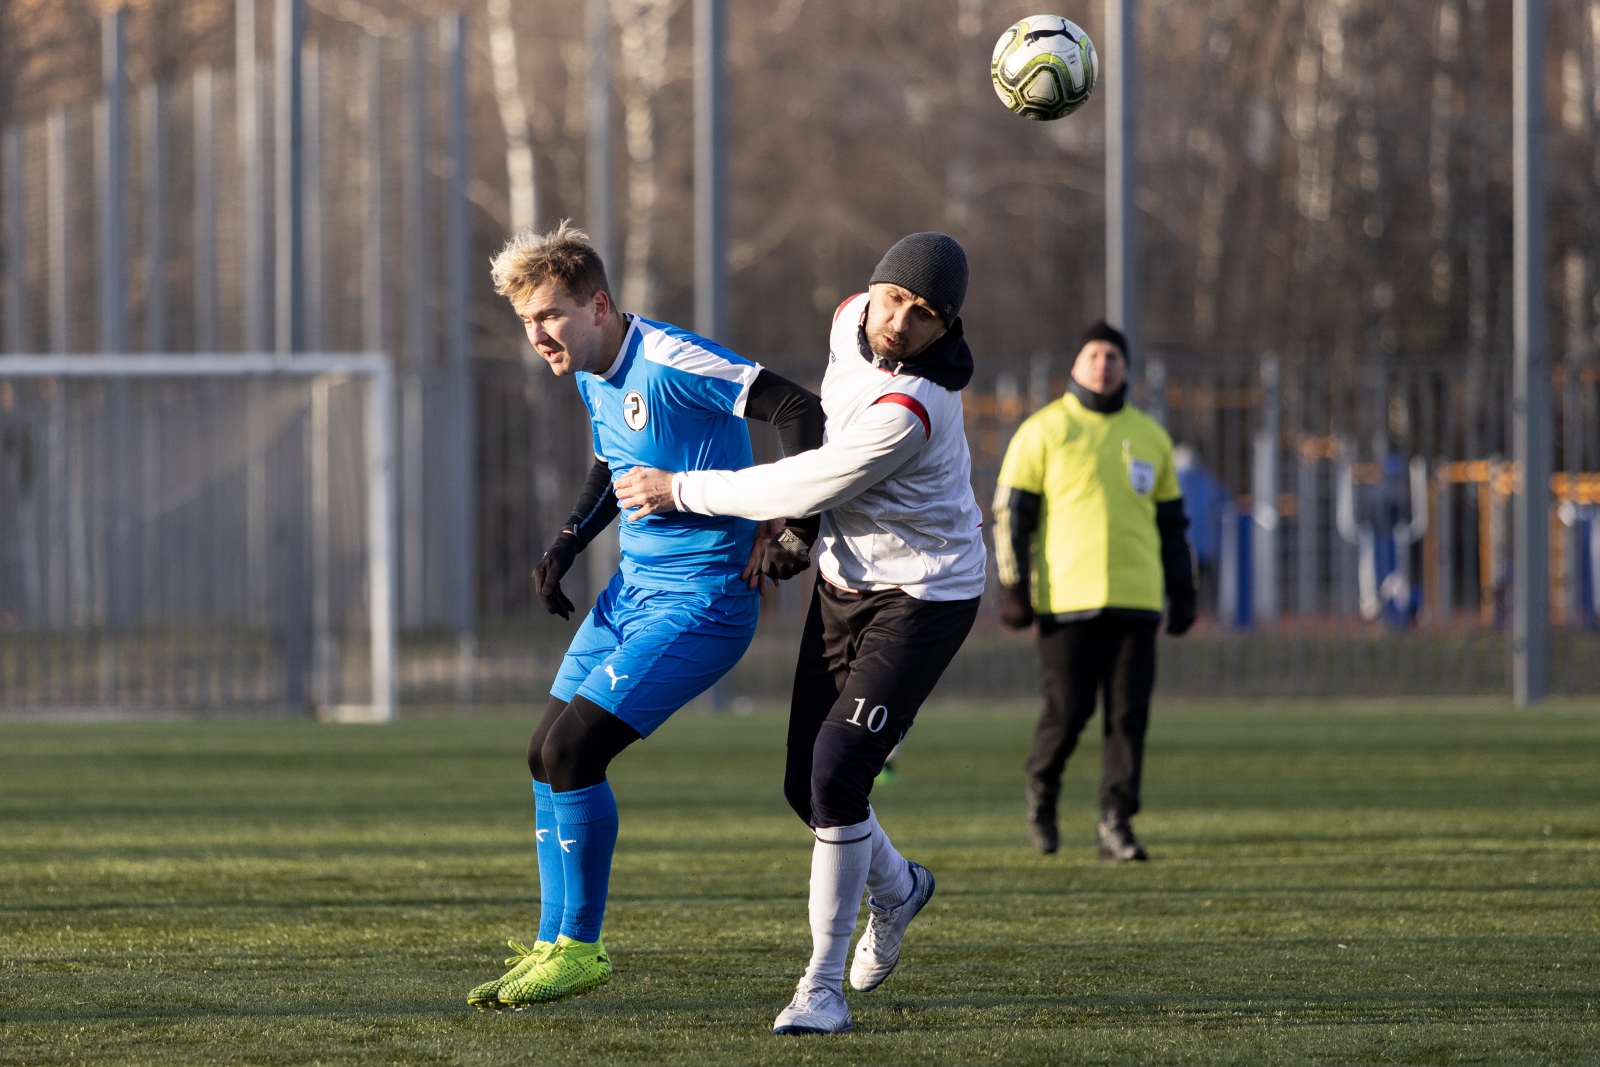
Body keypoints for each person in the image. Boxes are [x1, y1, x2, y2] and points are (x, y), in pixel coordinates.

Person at [616, 232, 987, 1036]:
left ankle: (820, 986)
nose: (898, 321)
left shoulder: (915, 407)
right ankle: (900, 887)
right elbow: (815, 431)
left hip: (924, 595)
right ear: (872, 288)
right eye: (894, 298)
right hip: (843, 581)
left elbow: (813, 475)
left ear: (945, 328)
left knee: (835, 772)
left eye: (923, 314)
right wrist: (800, 538)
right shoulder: (850, 317)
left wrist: (681, 488)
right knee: (806, 789)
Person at [466, 222, 823, 1010]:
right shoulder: (592, 370)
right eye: (526, 323)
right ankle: (553, 942)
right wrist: (566, 541)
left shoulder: (671, 359)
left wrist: (799, 526)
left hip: (705, 602)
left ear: (598, 305)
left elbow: (801, 407)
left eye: (550, 317)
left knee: (572, 752)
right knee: (541, 753)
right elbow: (612, 460)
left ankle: (583, 950)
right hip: (633, 593)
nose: (537, 337)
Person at [992, 322, 1196, 861]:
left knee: (1129, 714)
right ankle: (1043, 788)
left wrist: (1184, 590)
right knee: (1070, 708)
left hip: (1136, 598)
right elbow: (1012, 516)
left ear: (1126, 368)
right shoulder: (1044, 430)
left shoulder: (1150, 436)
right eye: (1093, 354)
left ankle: (1116, 823)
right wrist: (1013, 587)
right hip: (1066, 598)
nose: (1103, 364)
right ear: (1076, 365)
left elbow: (1173, 524)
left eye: (1113, 356)